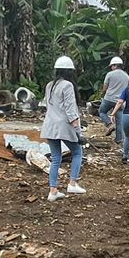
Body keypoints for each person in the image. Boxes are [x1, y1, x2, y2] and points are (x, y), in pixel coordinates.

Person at [40, 55, 87, 201]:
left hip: (49, 125)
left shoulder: (49, 85)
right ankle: (72, 183)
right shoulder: (68, 85)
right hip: (63, 126)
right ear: (70, 72)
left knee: (55, 158)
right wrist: (78, 132)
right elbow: (71, 110)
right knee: (78, 152)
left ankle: (53, 191)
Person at [100, 56, 129, 145]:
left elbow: (105, 86)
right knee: (119, 121)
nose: (111, 68)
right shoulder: (127, 76)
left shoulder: (110, 74)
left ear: (115, 65)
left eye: (112, 66)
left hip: (109, 98)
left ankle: (109, 124)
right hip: (120, 102)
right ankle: (119, 139)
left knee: (102, 112)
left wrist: (103, 93)